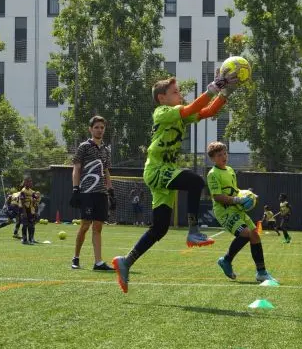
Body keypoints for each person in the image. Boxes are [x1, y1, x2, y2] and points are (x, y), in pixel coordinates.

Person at [112, 72, 238, 293]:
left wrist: (225, 92)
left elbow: (208, 111)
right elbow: (190, 109)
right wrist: (213, 88)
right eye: (175, 92)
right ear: (162, 98)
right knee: (195, 181)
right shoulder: (162, 113)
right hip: (157, 169)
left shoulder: (177, 113)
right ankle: (193, 230)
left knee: (159, 228)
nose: (180, 95)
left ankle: (126, 261)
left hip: (166, 171)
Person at [206, 141, 276, 282]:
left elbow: (235, 190)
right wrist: (238, 200)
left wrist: (248, 195)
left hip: (237, 210)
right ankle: (226, 260)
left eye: (225, 153)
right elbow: (218, 197)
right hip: (224, 212)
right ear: (212, 158)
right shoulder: (212, 174)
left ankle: (261, 272)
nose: (224, 156)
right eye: (219, 155)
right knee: (245, 233)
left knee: (255, 235)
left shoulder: (230, 170)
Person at [69, 115, 115, 271]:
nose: (99, 130)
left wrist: (111, 191)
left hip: (101, 193)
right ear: (90, 129)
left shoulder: (106, 150)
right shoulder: (84, 147)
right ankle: (76, 257)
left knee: (98, 227)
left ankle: (98, 262)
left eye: (102, 127)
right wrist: (76, 189)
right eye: (96, 127)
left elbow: (106, 171)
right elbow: (76, 168)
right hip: (87, 192)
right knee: (85, 225)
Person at [19, 176, 39, 245]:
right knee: (25, 225)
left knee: (31, 225)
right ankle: (24, 239)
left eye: (31, 181)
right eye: (29, 181)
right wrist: (24, 212)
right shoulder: (23, 191)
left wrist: (36, 197)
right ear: (25, 183)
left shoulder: (31, 191)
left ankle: (31, 239)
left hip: (30, 210)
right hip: (25, 209)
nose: (31, 183)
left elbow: (35, 198)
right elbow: (22, 201)